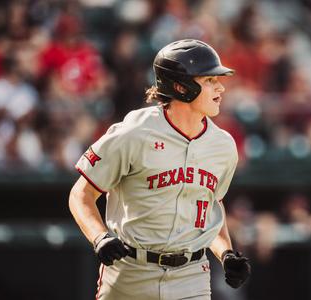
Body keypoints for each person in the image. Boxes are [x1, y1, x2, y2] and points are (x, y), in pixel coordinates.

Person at [69, 39, 251, 299]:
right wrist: (99, 237)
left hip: (191, 276)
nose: (220, 87)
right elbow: (81, 194)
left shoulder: (223, 146)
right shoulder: (134, 132)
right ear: (180, 86)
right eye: (209, 80)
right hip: (130, 272)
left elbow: (210, 205)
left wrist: (226, 253)